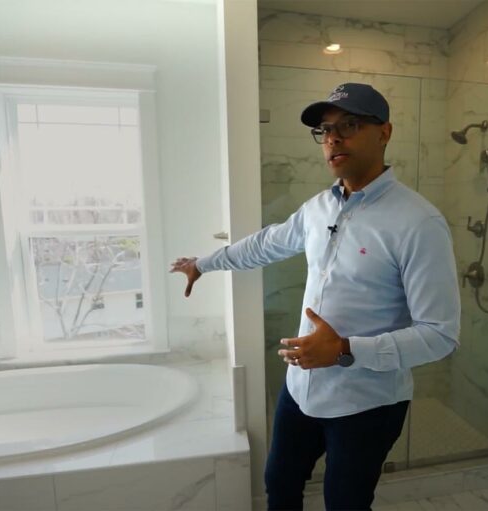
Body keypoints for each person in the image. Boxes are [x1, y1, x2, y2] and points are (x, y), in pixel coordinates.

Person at [170, 83, 461, 511]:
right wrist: (205, 263)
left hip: (367, 403)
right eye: (325, 130)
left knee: (345, 502)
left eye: (350, 125)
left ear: (384, 133)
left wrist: (344, 350)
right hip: (301, 389)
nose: (333, 138)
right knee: (280, 485)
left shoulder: (418, 222)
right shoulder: (318, 208)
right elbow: (266, 244)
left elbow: (440, 334)